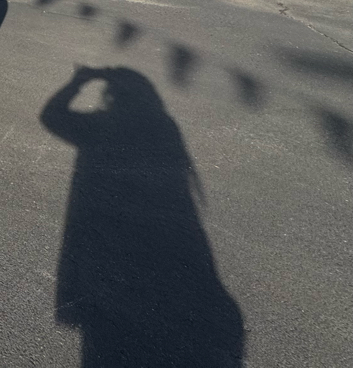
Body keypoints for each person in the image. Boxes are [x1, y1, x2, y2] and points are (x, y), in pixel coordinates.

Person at [40, 67, 243, 368]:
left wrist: (78, 81)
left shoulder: (103, 125)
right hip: (176, 252)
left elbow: (51, 116)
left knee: (107, 341)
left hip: (111, 256)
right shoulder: (164, 126)